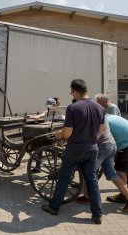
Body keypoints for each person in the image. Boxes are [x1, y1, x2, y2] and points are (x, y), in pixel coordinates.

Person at [41, 79, 105, 224]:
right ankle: (97, 214)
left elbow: (68, 133)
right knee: (92, 181)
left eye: (72, 92)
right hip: (92, 149)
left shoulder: (73, 108)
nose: (72, 94)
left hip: (75, 149)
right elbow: (100, 131)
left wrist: (59, 134)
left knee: (63, 178)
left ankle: (54, 207)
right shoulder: (99, 108)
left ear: (75, 91)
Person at [75, 115, 128, 212]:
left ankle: (88, 198)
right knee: (112, 174)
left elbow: (94, 136)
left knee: (89, 171)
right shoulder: (106, 116)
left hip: (116, 145)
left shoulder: (97, 119)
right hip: (113, 146)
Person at [104, 115, 128, 206]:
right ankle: (123, 195)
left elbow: (104, 138)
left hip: (126, 145)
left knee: (120, 171)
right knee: (124, 170)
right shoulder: (110, 116)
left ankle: (124, 196)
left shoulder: (103, 121)